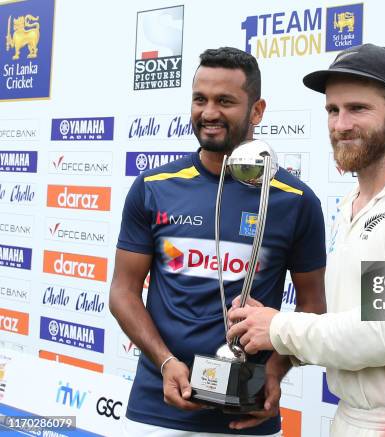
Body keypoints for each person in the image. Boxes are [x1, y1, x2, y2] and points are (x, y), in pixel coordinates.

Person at [228, 44, 385, 437]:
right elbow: (346, 321)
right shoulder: (350, 203)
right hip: (351, 420)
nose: (340, 124)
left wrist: (280, 328)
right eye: (333, 110)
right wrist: (273, 341)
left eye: (357, 109)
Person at [109, 47, 326, 437]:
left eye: (225, 101)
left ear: (257, 111)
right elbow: (123, 292)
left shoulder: (295, 200)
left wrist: (274, 372)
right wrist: (164, 362)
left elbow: (312, 306)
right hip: (157, 408)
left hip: (247, 413)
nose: (208, 113)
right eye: (200, 99)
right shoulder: (153, 188)